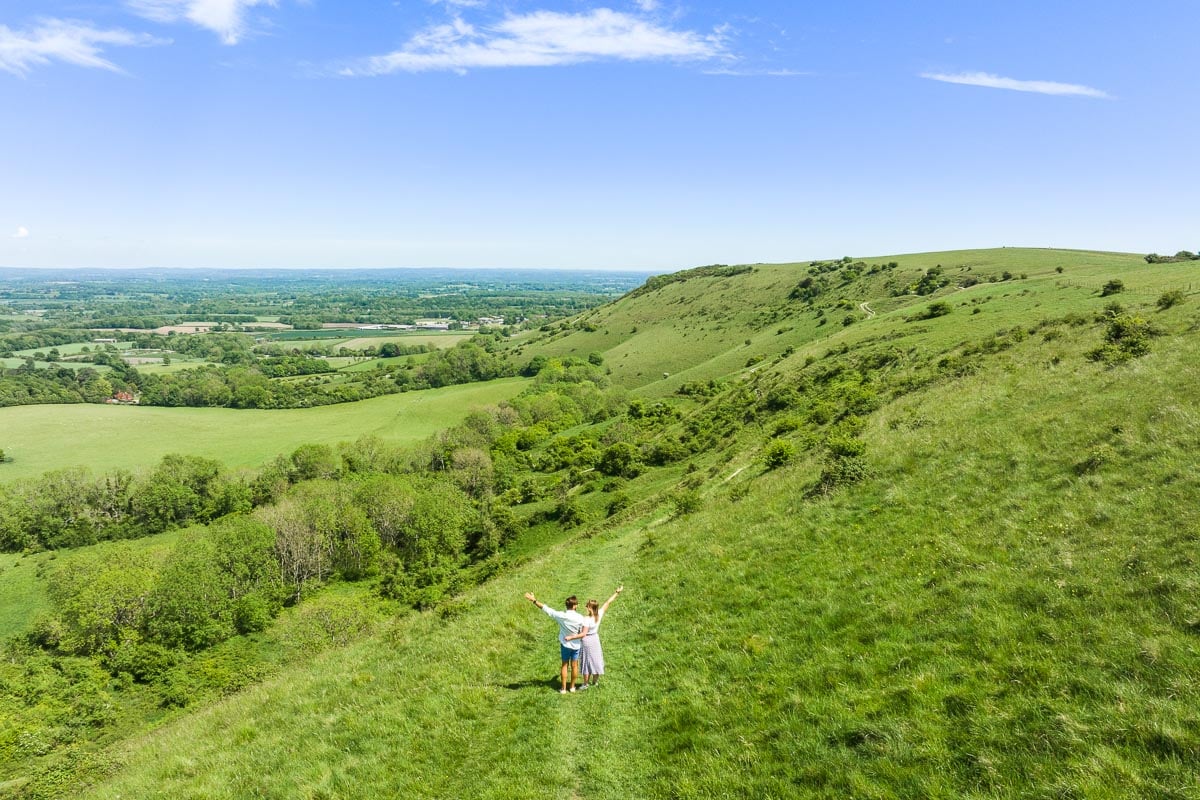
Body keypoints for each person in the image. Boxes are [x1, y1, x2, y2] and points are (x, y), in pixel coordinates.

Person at [524, 591, 589, 693]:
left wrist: (534, 600)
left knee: (564, 665)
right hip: (576, 645)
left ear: (567, 605)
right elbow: (584, 630)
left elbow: (546, 609)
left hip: (565, 644)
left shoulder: (561, 616)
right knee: (575, 665)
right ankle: (572, 687)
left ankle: (563, 688)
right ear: (575, 606)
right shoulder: (581, 618)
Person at [578, 586, 622, 689]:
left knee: (586, 662)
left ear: (590, 608)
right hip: (595, 639)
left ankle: (585, 684)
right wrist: (617, 592)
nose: (586, 607)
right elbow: (608, 602)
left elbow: (583, 633)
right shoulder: (599, 614)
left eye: (587, 606)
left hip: (587, 641)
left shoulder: (586, 619)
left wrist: (572, 636)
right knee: (596, 660)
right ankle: (595, 682)